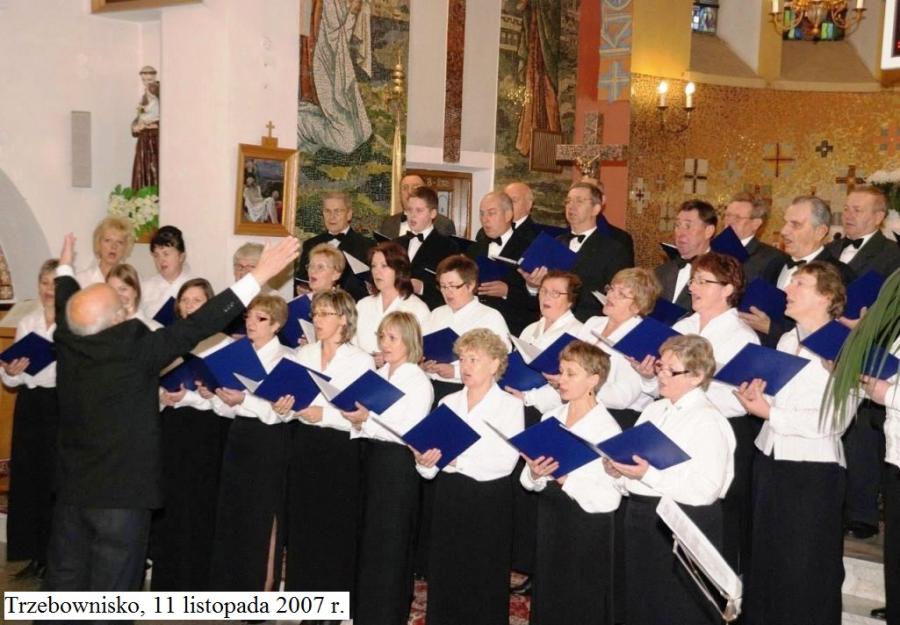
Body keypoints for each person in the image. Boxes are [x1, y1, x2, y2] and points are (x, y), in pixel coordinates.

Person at [42, 232, 299, 596]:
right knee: (112, 594)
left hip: (71, 493)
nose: (128, 309)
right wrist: (258, 276)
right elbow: (200, 323)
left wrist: (66, 267)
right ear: (117, 317)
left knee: (63, 585)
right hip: (123, 499)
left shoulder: (68, 341)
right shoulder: (138, 351)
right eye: (121, 306)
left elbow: (67, 302)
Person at [736, 261, 852, 625]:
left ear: (826, 296)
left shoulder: (844, 344)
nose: (787, 289)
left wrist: (771, 413)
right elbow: (779, 398)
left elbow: (835, 419)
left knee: (804, 567)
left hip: (812, 470)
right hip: (770, 457)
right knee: (765, 559)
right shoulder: (788, 338)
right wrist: (757, 398)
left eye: (799, 284)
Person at [640, 252, 760, 573]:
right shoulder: (684, 326)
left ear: (728, 289)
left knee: (717, 515)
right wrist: (650, 374)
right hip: (676, 422)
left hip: (722, 426)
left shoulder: (742, 336)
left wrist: (693, 390)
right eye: (693, 280)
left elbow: (739, 398)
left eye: (703, 282)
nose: (692, 288)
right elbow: (662, 385)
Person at [606, 334, 736, 625]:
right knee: (641, 605)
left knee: (676, 608)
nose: (661, 375)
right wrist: (620, 472)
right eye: (660, 367)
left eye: (671, 370)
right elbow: (637, 467)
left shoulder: (708, 420)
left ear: (697, 376)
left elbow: (706, 490)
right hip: (642, 518)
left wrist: (647, 474)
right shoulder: (655, 409)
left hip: (683, 522)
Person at [415, 329, 524, 625]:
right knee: (446, 570)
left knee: (482, 575)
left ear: (495, 363)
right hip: (450, 496)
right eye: (462, 359)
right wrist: (425, 461)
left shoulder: (510, 406)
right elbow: (429, 467)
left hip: (488, 501)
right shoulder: (448, 403)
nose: (465, 366)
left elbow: (505, 462)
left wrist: (455, 459)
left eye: (474, 359)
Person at [341, 311, 434, 625]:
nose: (385, 343)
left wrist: (367, 419)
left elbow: (410, 430)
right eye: (382, 336)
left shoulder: (418, 380)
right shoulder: (378, 375)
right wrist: (358, 420)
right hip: (372, 459)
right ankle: (364, 611)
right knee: (368, 538)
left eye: (393, 337)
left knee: (391, 540)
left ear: (409, 340)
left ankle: (386, 614)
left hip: (398, 465)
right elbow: (363, 423)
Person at [521, 341, 621, 625]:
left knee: (578, 598)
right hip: (551, 517)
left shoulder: (607, 429)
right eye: (561, 371)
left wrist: (566, 479)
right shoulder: (551, 416)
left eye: (571, 374)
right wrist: (535, 474)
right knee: (549, 592)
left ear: (593, 380)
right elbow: (527, 480)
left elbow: (609, 500)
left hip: (585, 525)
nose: (561, 379)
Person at [285, 290, 374, 608]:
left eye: (325, 314)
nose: (317, 320)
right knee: (304, 520)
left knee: (335, 525)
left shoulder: (361, 360)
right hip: (305, 442)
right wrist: (285, 407)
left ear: (344, 319)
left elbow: (363, 415)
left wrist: (324, 415)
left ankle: (333, 603)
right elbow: (290, 399)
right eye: (315, 313)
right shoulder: (303, 354)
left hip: (339, 449)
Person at [206, 294, 296, 592]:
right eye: (248, 317)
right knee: (234, 512)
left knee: (262, 515)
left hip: (268, 441)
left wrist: (244, 400)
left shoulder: (287, 358)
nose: (251, 323)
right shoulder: (237, 352)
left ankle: (260, 588)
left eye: (261, 319)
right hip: (239, 436)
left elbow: (278, 413)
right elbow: (225, 410)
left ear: (277, 324)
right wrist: (218, 397)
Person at [826, 186, 900, 541]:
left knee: (862, 438)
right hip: (830, 344)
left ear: (879, 216)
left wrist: (869, 324)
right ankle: (835, 506)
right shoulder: (832, 250)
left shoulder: (892, 254)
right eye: (847, 208)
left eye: (858, 209)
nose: (849, 215)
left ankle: (862, 513)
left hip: (872, 347)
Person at [504, 270, 584, 595]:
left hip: (551, 413)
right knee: (522, 485)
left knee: (545, 485)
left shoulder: (577, 334)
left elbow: (573, 386)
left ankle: (540, 567)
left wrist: (530, 397)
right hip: (520, 409)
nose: (546, 298)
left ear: (570, 300)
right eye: (543, 291)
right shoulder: (530, 329)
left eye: (555, 293)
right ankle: (522, 560)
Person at [152, 278, 229, 591]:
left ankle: (198, 581)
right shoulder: (167, 339)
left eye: (198, 300)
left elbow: (229, 394)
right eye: (186, 300)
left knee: (200, 502)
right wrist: (162, 395)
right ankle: (167, 580)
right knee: (170, 501)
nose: (191, 306)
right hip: (172, 427)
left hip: (207, 429)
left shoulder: (221, 342)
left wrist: (197, 396)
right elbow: (146, 379)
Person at [0, 259, 60, 581]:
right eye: (44, 283)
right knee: (28, 478)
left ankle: (53, 556)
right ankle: (33, 554)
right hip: (30, 404)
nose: (49, 290)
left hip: (59, 406)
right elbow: (11, 378)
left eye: (55, 284)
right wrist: (11, 371)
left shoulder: (72, 325)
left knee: (53, 480)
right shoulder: (28, 321)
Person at [741, 195, 854, 346]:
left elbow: (835, 336)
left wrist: (771, 329)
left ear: (820, 232)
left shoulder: (839, 274)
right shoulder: (775, 263)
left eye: (795, 224)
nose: (784, 231)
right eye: (786, 223)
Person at [520, 182, 631, 322]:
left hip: (587, 325)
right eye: (568, 201)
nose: (571, 206)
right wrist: (532, 286)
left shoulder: (614, 250)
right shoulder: (554, 243)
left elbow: (618, 299)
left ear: (596, 209)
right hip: (550, 322)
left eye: (579, 201)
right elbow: (533, 304)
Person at [421, 254, 511, 403]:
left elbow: (500, 362)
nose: (447, 292)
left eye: (453, 286)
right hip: (429, 385)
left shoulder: (490, 317)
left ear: (470, 285)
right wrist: (423, 363)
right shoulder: (437, 313)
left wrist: (456, 371)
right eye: (443, 286)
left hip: (467, 391)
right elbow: (420, 347)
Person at [582, 267, 660, 430]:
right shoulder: (593, 322)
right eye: (611, 289)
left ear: (638, 306)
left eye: (621, 294)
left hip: (618, 417)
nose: (611, 296)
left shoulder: (641, 338)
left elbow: (621, 398)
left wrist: (581, 385)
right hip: (583, 404)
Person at [465, 191, 538, 335]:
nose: (485, 219)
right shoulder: (474, 248)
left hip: (512, 327)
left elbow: (536, 300)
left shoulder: (529, 248)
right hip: (476, 325)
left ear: (508, 215)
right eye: (482, 214)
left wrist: (507, 292)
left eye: (491, 213)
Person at [353, 241, 430, 358]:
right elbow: (352, 345)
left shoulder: (417, 308)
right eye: (373, 266)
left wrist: (389, 359)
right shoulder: (363, 304)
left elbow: (421, 353)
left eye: (384, 266)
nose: (377, 272)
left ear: (399, 270)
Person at [296, 191, 374, 301]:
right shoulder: (310, 244)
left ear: (349, 214)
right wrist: (302, 288)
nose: (332, 217)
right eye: (327, 211)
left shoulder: (366, 245)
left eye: (337, 211)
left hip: (353, 307)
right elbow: (302, 279)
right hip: (316, 305)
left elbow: (372, 284)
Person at [396, 186, 460, 310]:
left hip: (429, 311)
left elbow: (453, 288)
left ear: (433, 213)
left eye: (419, 210)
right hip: (397, 310)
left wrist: (422, 287)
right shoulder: (396, 243)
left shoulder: (448, 246)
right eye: (409, 210)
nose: (412, 215)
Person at [654, 199, 716, 310]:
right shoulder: (660, 272)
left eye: (688, 226)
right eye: (677, 225)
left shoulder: (720, 274)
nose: (680, 233)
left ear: (708, 231)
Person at [721, 192, 786, 283]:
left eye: (737, 217)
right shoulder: (713, 252)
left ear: (755, 224)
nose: (729, 221)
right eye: (727, 215)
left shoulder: (773, 259)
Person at [141, 225, 195, 322]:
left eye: (166, 254)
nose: (161, 260)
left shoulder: (195, 286)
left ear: (181, 256)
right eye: (156, 255)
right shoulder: (145, 286)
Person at [380, 173, 456, 238]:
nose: (409, 192)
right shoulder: (388, 224)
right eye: (405, 188)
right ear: (400, 194)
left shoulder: (444, 224)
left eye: (415, 187)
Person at [75, 216, 135, 287]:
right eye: (108, 240)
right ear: (98, 243)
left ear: (126, 247)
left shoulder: (134, 280)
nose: (113, 246)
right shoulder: (80, 280)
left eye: (119, 242)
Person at [106, 263, 160, 330]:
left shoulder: (152, 328)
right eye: (112, 290)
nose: (117, 296)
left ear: (135, 291)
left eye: (123, 289)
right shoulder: (104, 328)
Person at [131, 65, 159, 191]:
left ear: (155, 78)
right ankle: (143, 195)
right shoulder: (144, 97)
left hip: (154, 139)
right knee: (142, 168)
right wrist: (135, 126)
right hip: (144, 138)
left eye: (150, 80)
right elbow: (139, 116)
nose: (147, 83)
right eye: (144, 80)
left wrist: (155, 125)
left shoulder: (159, 93)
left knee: (154, 168)